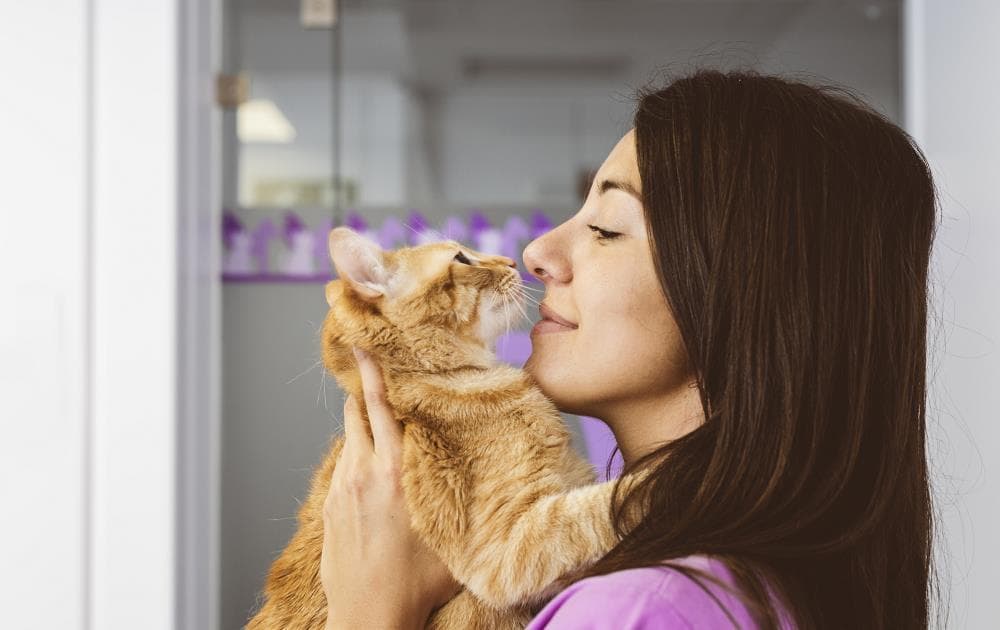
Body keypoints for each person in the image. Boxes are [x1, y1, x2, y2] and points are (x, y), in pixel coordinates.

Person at [320, 67, 940, 629]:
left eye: (607, 228)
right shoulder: (764, 580)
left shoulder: (636, 611)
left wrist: (370, 612)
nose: (536, 255)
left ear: (740, 295)